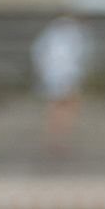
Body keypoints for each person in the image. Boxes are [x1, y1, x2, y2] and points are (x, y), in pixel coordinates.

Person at [31, 14, 92, 160]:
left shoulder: (53, 33)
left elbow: (38, 51)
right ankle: (58, 139)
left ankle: (55, 138)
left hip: (54, 74)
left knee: (57, 107)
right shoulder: (72, 33)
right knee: (65, 107)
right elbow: (79, 55)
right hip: (64, 74)